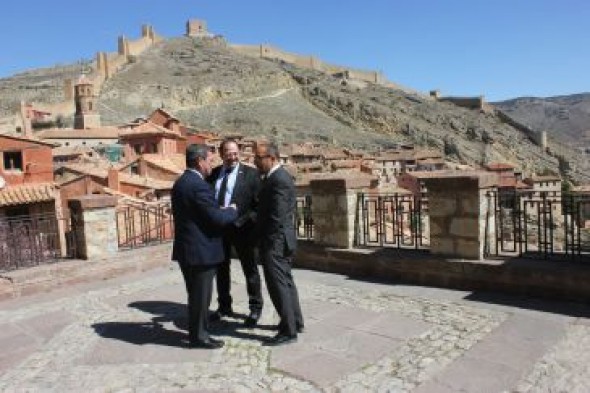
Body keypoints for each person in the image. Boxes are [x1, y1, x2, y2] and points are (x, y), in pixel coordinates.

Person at [171, 144, 237, 349]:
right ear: (199, 161)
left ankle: (197, 333)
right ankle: (199, 337)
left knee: (195, 295)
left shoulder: (181, 182)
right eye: (209, 160)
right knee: (201, 297)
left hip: (187, 250)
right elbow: (216, 218)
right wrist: (232, 210)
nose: (211, 164)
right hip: (201, 252)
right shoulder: (198, 186)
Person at [208, 138, 263, 327]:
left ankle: (255, 309)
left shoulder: (251, 174)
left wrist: (243, 221)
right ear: (221, 154)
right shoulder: (214, 174)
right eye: (228, 153)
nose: (232, 157)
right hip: (219, 231)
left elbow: (258, 206)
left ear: (238, 153)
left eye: (235, 153)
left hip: (243, 230)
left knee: (250, 271)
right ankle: (224, 307)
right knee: (221, 271)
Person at [254, 142, 304, 346]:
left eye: (259, 158)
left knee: (278, 286)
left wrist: (266, 241)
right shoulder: (273, 178)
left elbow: (277, 216)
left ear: (272, 158)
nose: (255, 161)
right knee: (286, 283)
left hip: (275, 242)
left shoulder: (279, 179)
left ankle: (288, 330)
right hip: (279, 241)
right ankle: (296, 321)